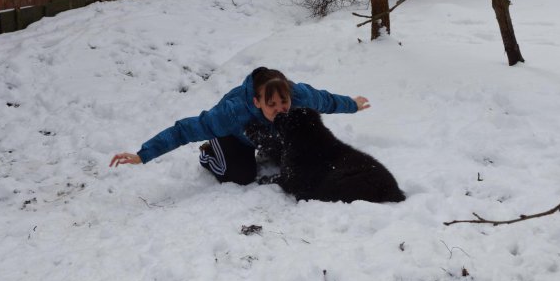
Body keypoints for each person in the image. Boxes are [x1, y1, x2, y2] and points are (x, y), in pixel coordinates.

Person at [110, 67, 370, 185]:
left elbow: (324, 100)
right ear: (257, 102)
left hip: (267, 136)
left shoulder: (297, 95)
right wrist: (143, 154)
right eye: (273, 105)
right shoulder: (230, 114)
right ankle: (210, 153)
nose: (281, 109)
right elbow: (184, 129)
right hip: (236, 137)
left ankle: (268, 146)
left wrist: (351, 104)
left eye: (284, 103)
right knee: (241, 176)